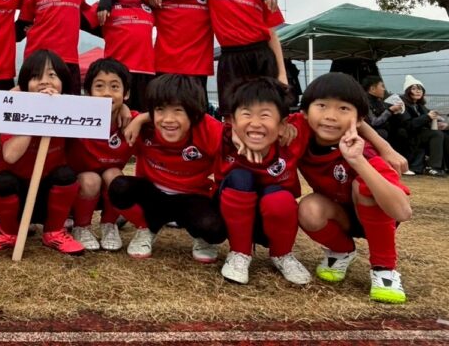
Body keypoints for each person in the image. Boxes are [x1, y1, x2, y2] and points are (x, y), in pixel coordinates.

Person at [296, 72, 412, 304]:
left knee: (364, 185)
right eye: (322, 106)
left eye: (343, 109)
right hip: (339, 214)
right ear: (305, 113)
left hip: (376, 214)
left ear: (359, 120)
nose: (330, 116)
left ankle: (384, 269)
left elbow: (402, 212)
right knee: (308, 207)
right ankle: (342, 250)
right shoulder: (299, 135)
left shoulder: (364, 151)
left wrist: (359, 161)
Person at [152, 0, 286, 116]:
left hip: (262, 55)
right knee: (232, 112)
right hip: (230, 58)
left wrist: (282, 73)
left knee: (269, 108)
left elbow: (272, 34)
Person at [0, 50, 84, 255]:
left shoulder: (71, 111)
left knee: (66, 175)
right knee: (2, 182)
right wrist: (34, 114)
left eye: (52, 75)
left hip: (50, 197)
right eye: (35, 77)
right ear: (24, 85)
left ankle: (54, 232)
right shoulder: (12, 111)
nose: (44, 82)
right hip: (18, 195)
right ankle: (8, 232)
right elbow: (10, 156)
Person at [110, 74, 227, 260]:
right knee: (119, 187)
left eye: (178, 110)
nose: (168, 119)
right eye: (160, 109)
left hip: (192, 196)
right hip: (153, 196)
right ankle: (146, 227)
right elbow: (109, 113)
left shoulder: (207, 129)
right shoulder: (144, 127)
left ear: (194, 113)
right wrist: (126, 109)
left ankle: (201, 237)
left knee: (214, 231)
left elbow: (238, 137)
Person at [216, 77, 310, 285]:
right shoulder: (222, 137)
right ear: (232, 121)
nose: (255, 123)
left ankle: (282, 254)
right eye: (246, 114)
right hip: (231, 215)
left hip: (272, 219)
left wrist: (379, 142)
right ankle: (239, 253)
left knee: (279, 197)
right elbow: (183, 118)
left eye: (265, 115)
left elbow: (328, 115)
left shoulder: (293, 134)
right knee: (241, 177)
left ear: (282, 124)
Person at [67, 58, 136, 251]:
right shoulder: (74, 116)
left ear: (126, 93)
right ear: (88, 92)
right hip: (76, 190)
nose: (107, 93)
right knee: (90, 179)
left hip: (108, 190)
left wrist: (138, 118)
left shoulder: (131, 122)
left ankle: (109, 225)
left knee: (115, 175)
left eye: (115, 87)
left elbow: (159, 119)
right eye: (99, 86)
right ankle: (81, 226)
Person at [92, 0, 155, 111]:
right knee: (114, 120)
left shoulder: (152, 3)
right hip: (115, 76)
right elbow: (75, 17)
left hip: (147, 76)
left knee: (144, 120)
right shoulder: (105, 6)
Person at [398, 75, 448, 176]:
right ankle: (433, 167)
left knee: (446, 135)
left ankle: (446, 166)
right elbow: (408, 125)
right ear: (407, 91)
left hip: (421, 134)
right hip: (408, 135)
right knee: (436, 134)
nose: (418, 91)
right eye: (414, 89)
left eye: (420, 89)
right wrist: (427, 117)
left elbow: (428, 119)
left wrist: (440, 124)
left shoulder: (420, 106)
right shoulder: (401, 104)